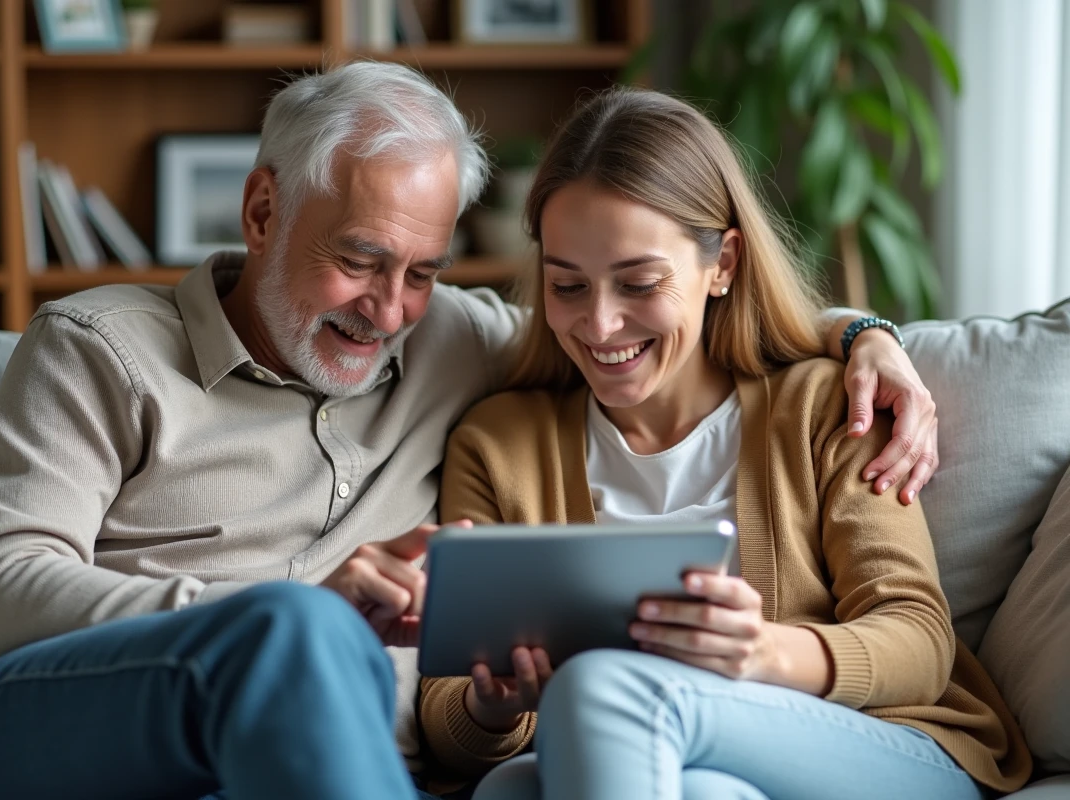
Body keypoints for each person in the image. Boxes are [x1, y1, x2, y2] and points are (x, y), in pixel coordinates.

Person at [0, 62, 936, 800]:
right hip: (21, 728)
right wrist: (280, 610)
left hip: (274, 764)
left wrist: (868, 338)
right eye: (360, 258)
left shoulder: (457, 344)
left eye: (421, 271)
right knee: (298, 635)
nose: (388, 307)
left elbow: (647, 326)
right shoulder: (99, 350)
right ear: (261, 212)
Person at [419, 88, 1031, 800]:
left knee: (607, 690)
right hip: (657, 753)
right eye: (568, 286)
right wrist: (492, 707)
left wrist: (764, 652)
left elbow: (919, 638)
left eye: (639, 282)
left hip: (877, 748)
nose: (601, 323)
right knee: (515, 791)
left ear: (725, 264)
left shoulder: (826, 405)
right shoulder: (497, 446)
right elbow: (446, 709)